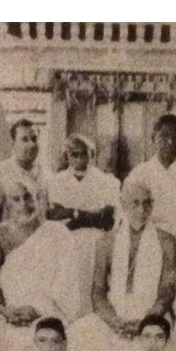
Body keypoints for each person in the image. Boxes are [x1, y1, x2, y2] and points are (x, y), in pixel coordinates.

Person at [68, 180, 176, 351]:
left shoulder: (167, 241)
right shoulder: (106, 242)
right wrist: (114, 321)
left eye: (146, 204)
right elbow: (98, 292)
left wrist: (146, 322)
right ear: (123, 204)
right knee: (78, 335)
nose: (141, 210)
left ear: (153, 205)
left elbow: (167, 291)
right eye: (135, 203)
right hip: (114, 314)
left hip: (152, 314)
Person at [0, 180, 80, 351]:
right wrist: (6, 311)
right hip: (10, 308)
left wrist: (38, 310)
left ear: (37, 198)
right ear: (7, 204)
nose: (23, 204)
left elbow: (67, 285)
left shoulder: (58, 233)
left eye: (28, 197)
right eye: (16, 199)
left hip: (48, 309)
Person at [47, 134, 119, 316]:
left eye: (84, 154)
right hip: (67, 243)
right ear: (67, 156)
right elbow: (56, 216)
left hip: (96, 244)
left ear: (91, 155)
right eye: (74, 154)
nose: (80, 159)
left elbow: (107, 220)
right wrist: (91, 215)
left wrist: (74, 214)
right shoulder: (57, 181)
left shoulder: (106, 181)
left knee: (94, 290)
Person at [126, 114, 176, 235]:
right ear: (153, 139)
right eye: (164, 136)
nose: (170, 142)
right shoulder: (139, 174)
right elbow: (129, 215)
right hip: (150, 238)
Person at [0, 119, 49, 220]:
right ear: (13, 144)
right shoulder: (0, 172)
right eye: (25, 139)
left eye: (34, 139)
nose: (31, 144)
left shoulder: (45, 172)